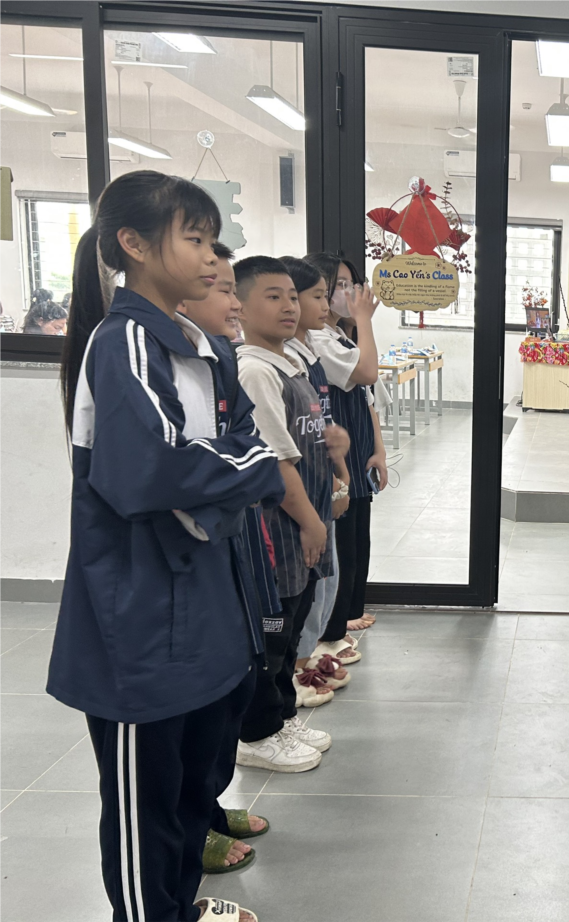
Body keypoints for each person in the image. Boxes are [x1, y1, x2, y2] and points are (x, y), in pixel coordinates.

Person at [47, 170, 282, 922]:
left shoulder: (198, 345)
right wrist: (240, 473)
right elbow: (153, 471)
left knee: (187, 795)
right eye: (196, 239)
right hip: (140, 619)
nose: (214, 258)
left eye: (214, 240)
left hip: (202, 607)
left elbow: (240, 440)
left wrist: (225, 477)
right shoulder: (123, 344)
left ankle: (180, 909)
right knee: (145, 811)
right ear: (135, 244)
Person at [177, 241, 280, 874]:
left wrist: (242, 470)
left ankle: (211, 807)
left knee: (233, 686)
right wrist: (242, 472)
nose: (234, 303)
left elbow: (252, 450)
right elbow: (192, 473)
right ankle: (193, 827)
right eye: (222, 290)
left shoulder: (219, 363)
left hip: (234, 551)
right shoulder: (156, 363)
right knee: (196, 713)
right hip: (200, 554)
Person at [234, 255, 345, 772]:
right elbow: (276, 463)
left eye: (292, 297)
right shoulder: (255, 371)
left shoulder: (290, 365)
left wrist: (334, 451)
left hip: (304, 523)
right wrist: (310, 522)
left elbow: (303, 441)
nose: (289, 306)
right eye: (272, 296)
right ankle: (257, 733)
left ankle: (280, 716)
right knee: (272, 631)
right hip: (279, 530)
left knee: (294, 622)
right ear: (241, 305)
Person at [305, 252, 386, 648]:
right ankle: (333, 629)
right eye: (337, 286)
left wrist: (379, 449)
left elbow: (368, 397)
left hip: (357, 450)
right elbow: (367, 372)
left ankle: (349, 613)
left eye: (351, 284)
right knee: (342, 545)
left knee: (357, 540)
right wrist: (364, 320)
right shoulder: (319, 339)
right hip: (338, 456)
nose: (348, 293)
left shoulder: (340, 335)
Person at [281, 255, 353, 698]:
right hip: (299, 496)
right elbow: (282, 451)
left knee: (325, 580)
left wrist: (339, 475)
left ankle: (305, 656)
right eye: (318, 295)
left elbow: (322, 430)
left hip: (320, 484)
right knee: (301, 586)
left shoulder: (308, 355)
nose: (325, 304)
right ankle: (294, 666)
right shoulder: (271, 365)